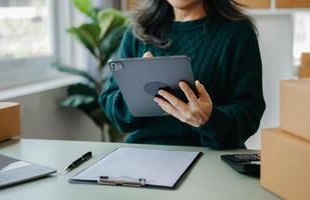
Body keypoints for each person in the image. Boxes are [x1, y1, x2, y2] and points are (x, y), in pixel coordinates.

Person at [99, 0, 266, 149]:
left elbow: (250, 110)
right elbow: (110, 101)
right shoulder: (138, 31)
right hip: (145, 152)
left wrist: (210, 119)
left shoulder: (237, 32)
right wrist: (136, 93)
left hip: (211, 155)